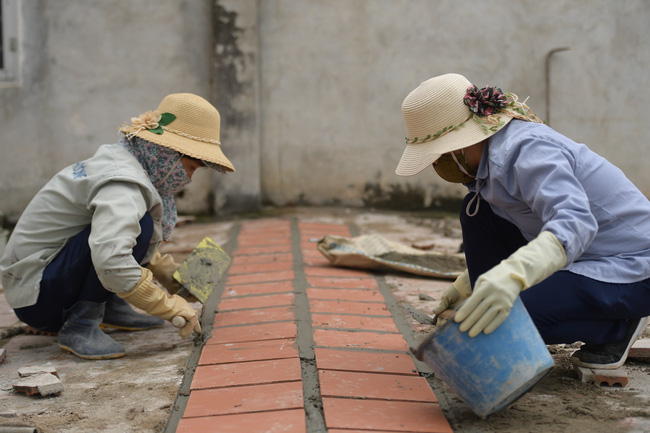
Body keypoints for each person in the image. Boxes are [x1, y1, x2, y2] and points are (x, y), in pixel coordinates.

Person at [396, 73, 650, 370]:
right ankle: (488, 303)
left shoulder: (528, 150)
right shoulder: (490, 167)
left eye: (437, 155)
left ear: (460, 145)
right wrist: (470, 285)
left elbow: (575, 223)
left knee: (508, 324)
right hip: (583, 256)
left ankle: (615, 328)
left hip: (634, 268)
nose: (437, 165)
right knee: (477, 211)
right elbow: (527, 223)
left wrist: (513, 276)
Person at [0, 93, 234, 360]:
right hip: (38, 299)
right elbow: (112, 257)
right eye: (191, 167)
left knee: (132, 226)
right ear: (167, 155)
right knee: (140, 225)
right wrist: (167, 306)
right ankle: (81, 325)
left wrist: (169, 274)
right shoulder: (123, 182)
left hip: (39, 283)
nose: (189, 179)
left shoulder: (123, 160)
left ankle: (110, 307)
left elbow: (116, 236)